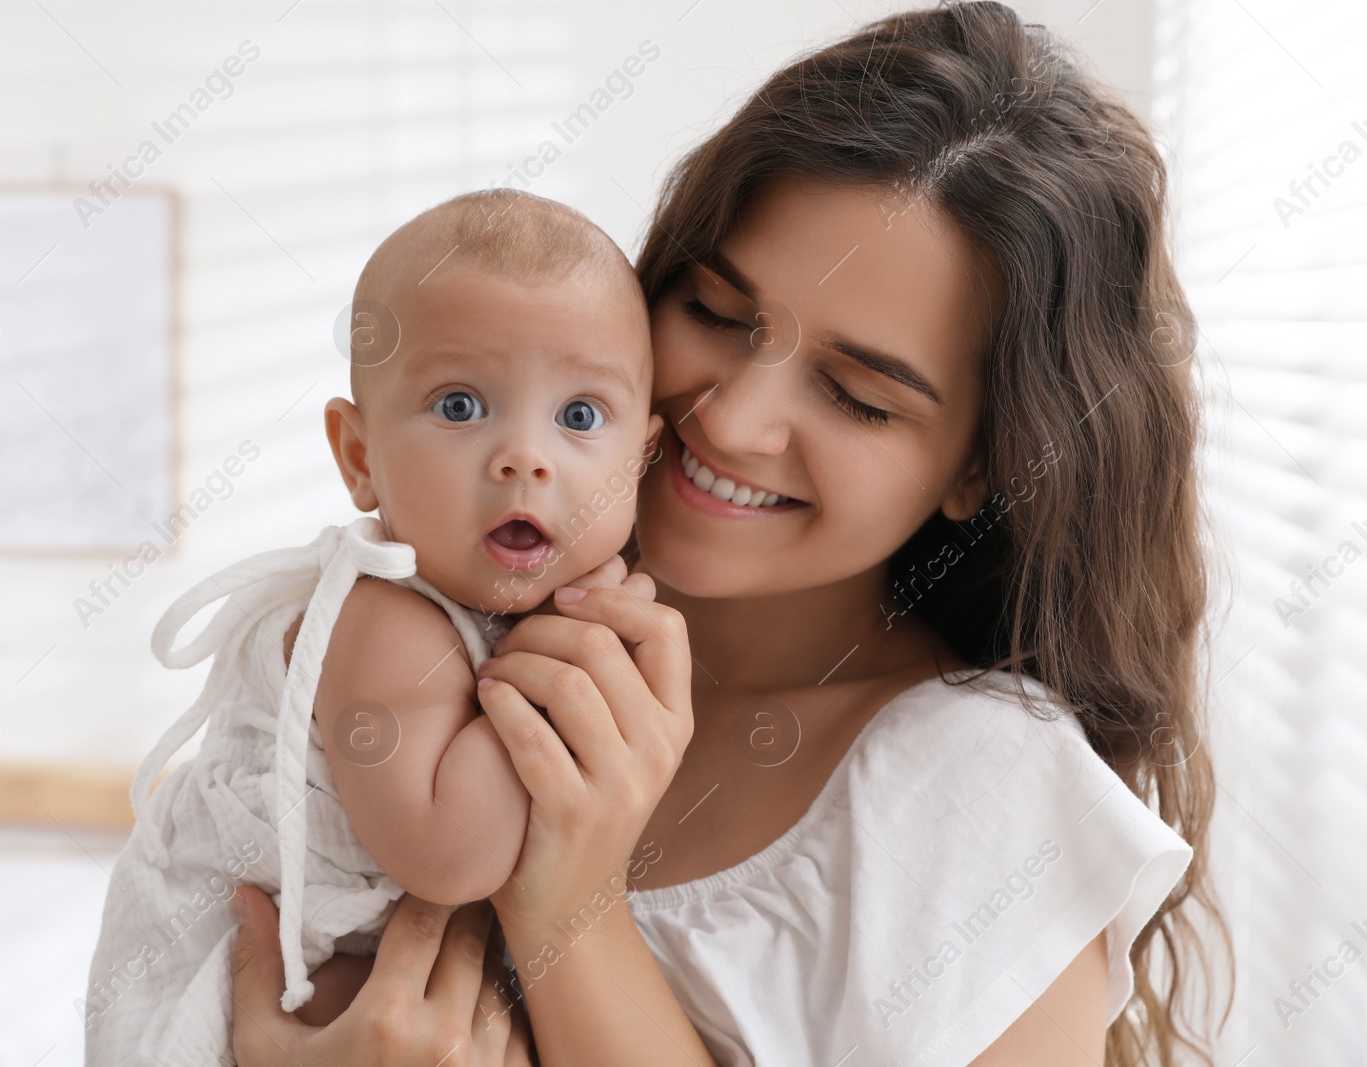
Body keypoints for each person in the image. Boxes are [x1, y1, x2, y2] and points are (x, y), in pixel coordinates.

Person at [229, 3, 1226, 1064]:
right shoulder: (433, 610)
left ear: (979, 463)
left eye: (854, 395)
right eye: (715, 312)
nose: (734, 418)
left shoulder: (986, 795)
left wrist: (573, 897)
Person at [82, 189, 664, 1065]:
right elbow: (452, 859)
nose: (524, 456)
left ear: (642, 459)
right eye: (462, 406)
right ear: (360, 457)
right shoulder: (384, 613)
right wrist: (556, 654)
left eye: (580, 416)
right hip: (234, 975)